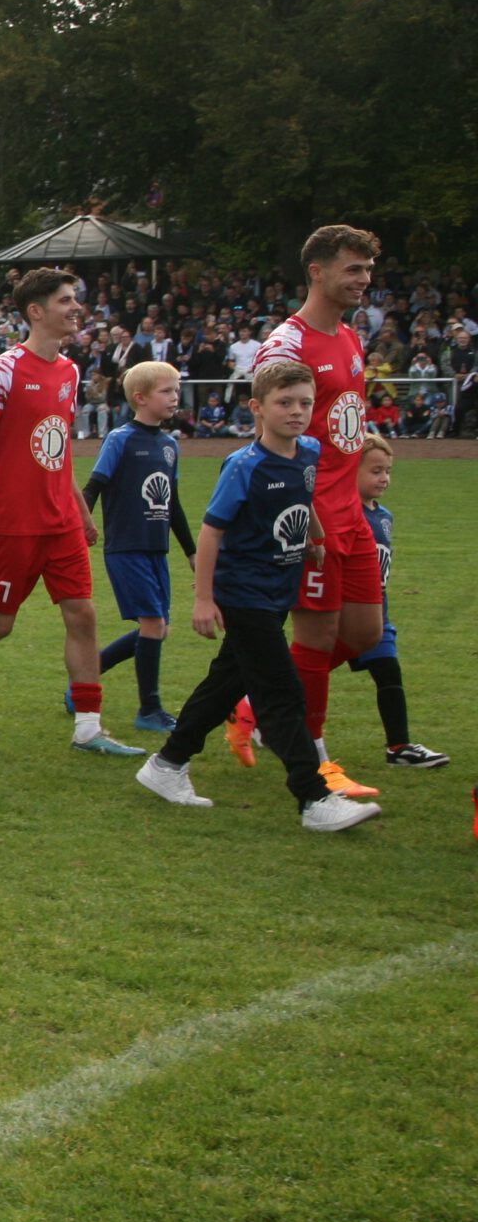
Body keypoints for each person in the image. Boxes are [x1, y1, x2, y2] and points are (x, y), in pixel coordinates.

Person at [0, 270, 145, 756]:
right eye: (65, 300)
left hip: (60, 521)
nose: (76, 308)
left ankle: (89, 728)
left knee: (82, 614)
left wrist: (80, 509)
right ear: (36, 311)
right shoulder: (5, 369)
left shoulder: (70, 371)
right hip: (12, 523)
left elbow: (59, 451)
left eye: (76, 299)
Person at [133, 363, 377, 831]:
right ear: (257, 408)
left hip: (277, 591)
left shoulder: (308, 452)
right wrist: (204, 599)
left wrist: (317, 538)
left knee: (226, 683)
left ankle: (166, 765)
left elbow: (302, 503)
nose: (297, 412)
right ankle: (313, 798)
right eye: (284, 403)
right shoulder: (244, 466)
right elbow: (212, 532)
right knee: (282, 692)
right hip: (244, 595)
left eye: (305, 403)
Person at [252, 225, 387, 800]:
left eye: (367, 269)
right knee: (315, 635)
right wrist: (301, 512)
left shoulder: (350, 339)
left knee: (363, 634)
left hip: (351, 512)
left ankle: (255, 705)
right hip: (314, 516)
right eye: (354, 269)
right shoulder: (288, 344)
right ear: (318, 271)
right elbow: (266, 433)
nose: (364, 279)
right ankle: (314, 759)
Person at [81, 360, 198, 732]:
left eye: (176, 390)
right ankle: (149, 709)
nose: (174, 397)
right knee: (152, 622)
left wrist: (193, 553)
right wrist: (82, 526)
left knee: (158, 628)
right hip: (126, 545)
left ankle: (87, 674)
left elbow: (173, 505)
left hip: (155, 548)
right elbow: (92, 487)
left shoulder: (168, 445)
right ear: (140, 398)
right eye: (166, 391)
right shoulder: (121, 439)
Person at [342, 436, 449, 770]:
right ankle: (255, 711)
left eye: (387, 471)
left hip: (376, 615)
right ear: (351, 472)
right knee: (301, 676)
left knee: (389, 672)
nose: (384, 478)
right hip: (343, 615)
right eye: (375, 471)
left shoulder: (384, 515)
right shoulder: (343, 514)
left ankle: (399, 746)